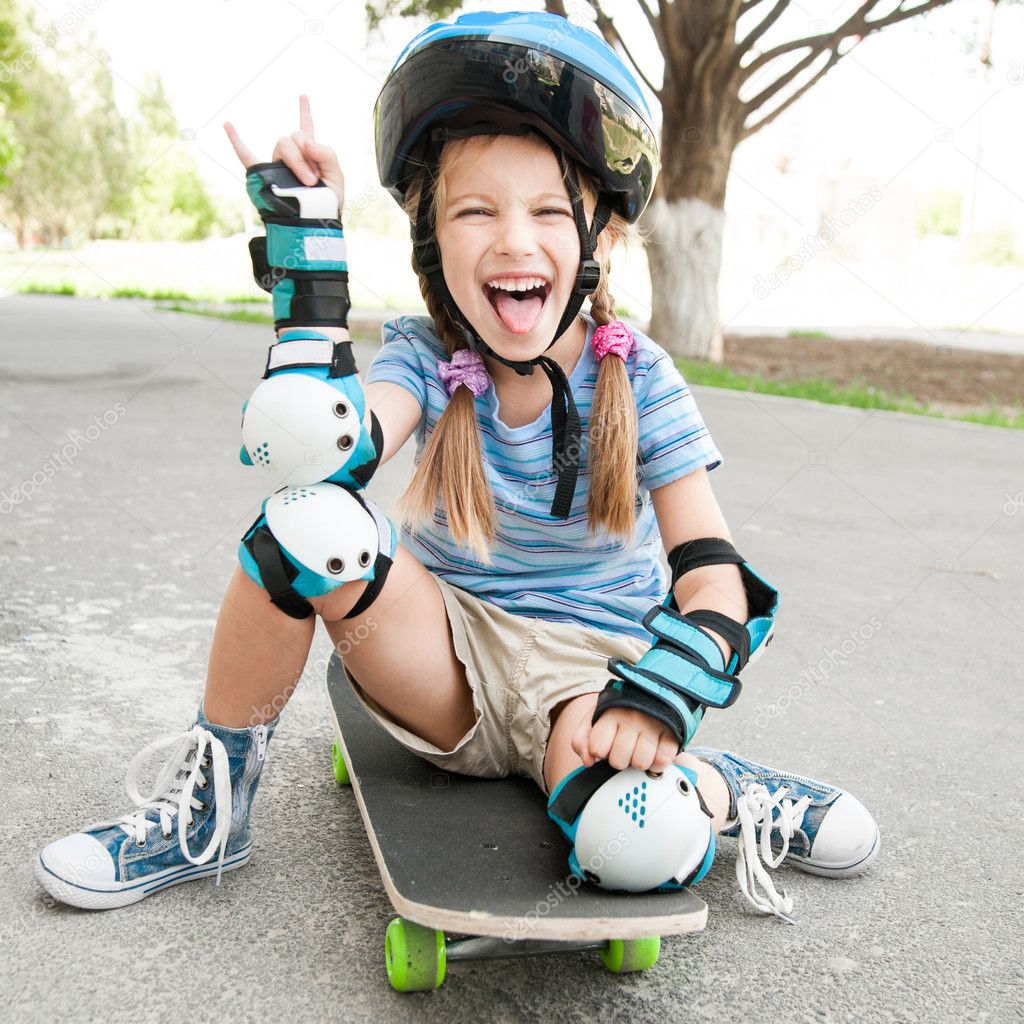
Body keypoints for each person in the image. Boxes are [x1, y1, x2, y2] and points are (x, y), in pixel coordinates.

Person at [34, 12, 878, 920]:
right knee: (303, 519)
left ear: (604, 240)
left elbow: (716, 577)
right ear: (434, 242)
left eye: (549, 210)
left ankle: (718, 791)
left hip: (594, 682)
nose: (514, 240)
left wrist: (664, 695)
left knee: (638, 844)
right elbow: (326, 449)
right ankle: (208, 816)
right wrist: (309, 258)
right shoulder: (425, 357)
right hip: (445, 659)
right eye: (475, 210)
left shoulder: (643, 380)